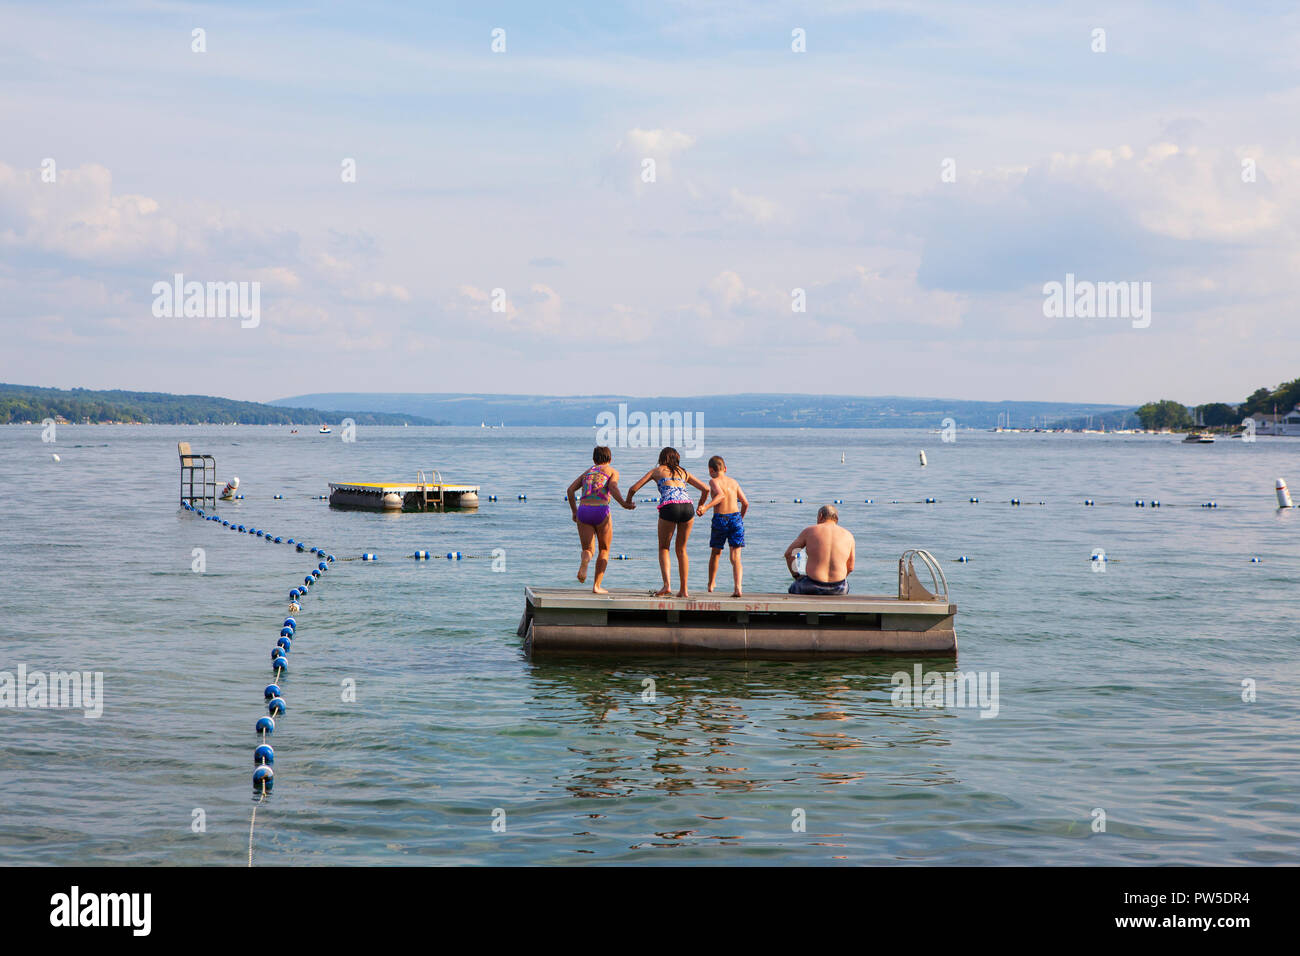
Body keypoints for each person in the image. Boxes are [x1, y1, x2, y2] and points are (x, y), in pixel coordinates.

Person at [625, 447, 710, 597]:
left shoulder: (656, 471)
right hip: (687, 507)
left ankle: (667, 586)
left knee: (664, 548)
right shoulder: (683, 472)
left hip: (669, 506)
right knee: (682, 550)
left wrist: (628, 503)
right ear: (676, 459)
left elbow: (633, 489)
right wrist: (701, 506)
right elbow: (706, 489)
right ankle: (684, 589)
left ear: (661, 458)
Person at [566, 446, 633, 593]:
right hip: (601, 510)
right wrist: (624, 503)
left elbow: (570, 490)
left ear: (594, 459)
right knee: (604, 549)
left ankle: (585, 562)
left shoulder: (588, 472)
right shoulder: (612, 471)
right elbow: (613, 487)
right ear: (610, 459)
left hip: (583, 510)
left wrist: (574, 511)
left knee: (588, 549)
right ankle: (596, 586)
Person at [696, 455, 749, 596]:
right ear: (725, 468)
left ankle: (711, 584)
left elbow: (720, 496)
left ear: (710, 470)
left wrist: (706, 507)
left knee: (716, 553)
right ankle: (738, 587)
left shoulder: (713, 481)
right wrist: (739, 519)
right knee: (736, 557)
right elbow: (745, 503)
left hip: (720, 519)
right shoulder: (734, 482)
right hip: (736, 518)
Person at [784, 505, 855, 595]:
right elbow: (851, 567)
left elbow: (789, 553)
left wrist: (796, 575)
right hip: (839, 588)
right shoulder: (848, 535)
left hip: (811, 585)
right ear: (836, 518)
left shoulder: (810, 531)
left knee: (793, 587)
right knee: (845, 585)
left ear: (820, 516)